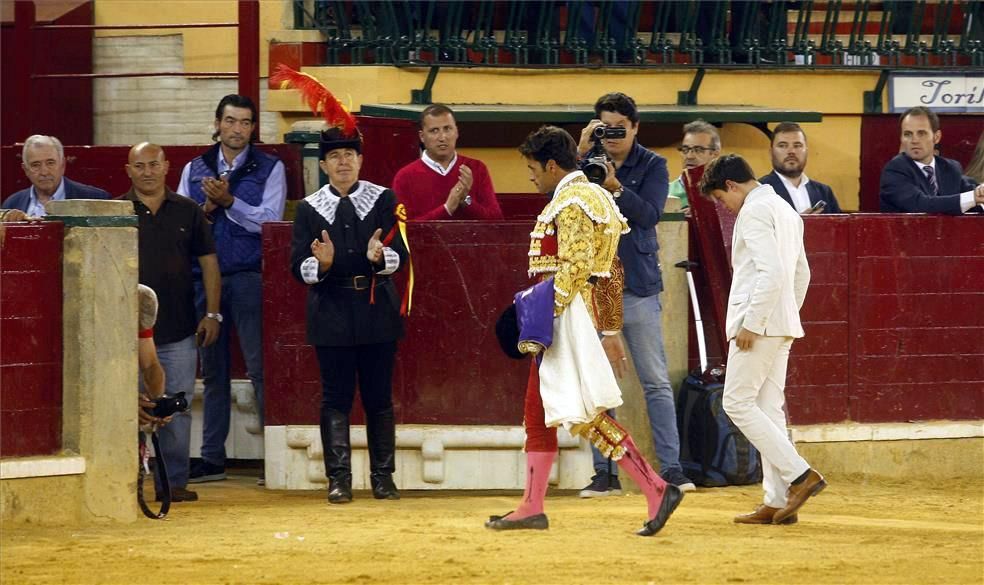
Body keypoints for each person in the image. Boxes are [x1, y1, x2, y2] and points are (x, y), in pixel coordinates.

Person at [485, 125, 683, 536]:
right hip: (574, 316)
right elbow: (611, 270)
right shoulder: (591, 195)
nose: (531, 176)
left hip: (565, 320)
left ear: (552, 165)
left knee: (587, 414)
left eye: (533, 168)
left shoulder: (573, 199)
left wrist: (540, 314)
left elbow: (574, 267)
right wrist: (608, 328)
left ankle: (655, 486)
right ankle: (532, 505)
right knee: (538, 411)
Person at [574, 92, 695, 497]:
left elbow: (650, 215)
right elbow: (565, 205)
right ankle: (604, 472)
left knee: (655, 381)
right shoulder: (583, 163)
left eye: (619, 130)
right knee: (598, 384)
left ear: (636, 128)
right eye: (604, 129)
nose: (611, 137)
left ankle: (673, 468)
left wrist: (615, 188)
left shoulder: (653, 165)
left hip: (636, 285)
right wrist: (578, 153)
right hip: (592, 286)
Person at [699, 153, 825, 525]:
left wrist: (754, 322)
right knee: (768, 408)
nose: (726, 206)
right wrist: (787, 313)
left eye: (722, 199)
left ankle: (800, 475)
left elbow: (770, 273)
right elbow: (802, 272)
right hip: (781, 322)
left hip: (760, 324)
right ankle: (775, 499)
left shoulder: (754, 212)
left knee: (736, 403)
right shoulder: (784, 208)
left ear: (732, 186)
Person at [289, 127, 409, 505]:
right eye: (335, 156)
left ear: (360, 160)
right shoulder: (309, 208)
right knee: (335, 398)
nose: (343, 162)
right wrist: (321, 265)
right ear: (323, 165)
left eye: (350, 155)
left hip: (376, 311)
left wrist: (380, 258)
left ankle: (383, 478)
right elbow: (296, 267)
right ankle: (338, 479)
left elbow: (401, 255)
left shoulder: (383, 199)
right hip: (331, 311)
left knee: (379, 398)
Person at [177, 94, 287, 485]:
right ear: (217, 123)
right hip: (203, 279)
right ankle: (212, 458)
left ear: (253, 128)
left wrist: (229, 201)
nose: (237, 129)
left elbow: (270, 223)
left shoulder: (271, 168)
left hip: (246, 276)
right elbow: (182, 224)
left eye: (244, 122)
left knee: (259, 368)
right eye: (230, 121)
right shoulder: (193, 168)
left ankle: (277, 457)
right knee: (213, 371)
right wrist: (208, 208)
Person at [124, 142, 222, 503]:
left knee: (175, 407)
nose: (147, 171)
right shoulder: (117, 212)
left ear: (166, 166)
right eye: (140, 165)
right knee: (130, 408)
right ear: (128, 170)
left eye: (153, 164)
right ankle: (127, 483)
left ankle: (173, 483)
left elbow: (209, 263)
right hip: (128, 333)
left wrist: (212, 313)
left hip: (180, 328)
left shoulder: (188, 211)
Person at [392, 104, 503, 220]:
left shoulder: (476, 168)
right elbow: (402, 230)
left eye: (447, 129)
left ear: (456, 132)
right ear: (422, 136)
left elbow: (496, 222)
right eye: (434, 131)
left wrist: (466, 199)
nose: (442, 137)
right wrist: (447, 209)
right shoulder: (405, 177)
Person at [879, 106, 984, 214]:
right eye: (908, 134)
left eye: (921, 133)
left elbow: (973, 198)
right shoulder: (894, 170)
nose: (914, 140)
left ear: (936, 137)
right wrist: (974, 197)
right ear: (901, 138)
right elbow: (920, 205)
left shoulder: (950, 168)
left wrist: (980, 194)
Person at [3, 135, 108, 215]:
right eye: (35, 165)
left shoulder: (96, 199)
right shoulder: (11, 204)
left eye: (50, 163)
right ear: (26, 170)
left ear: (62, 165)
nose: (44, 172)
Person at [760, 122, 842, 214]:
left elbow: (839, 227)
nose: (791, 151)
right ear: (771, 152)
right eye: (782, 146)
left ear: (806, 151)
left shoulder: (824, 192)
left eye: (797, 145)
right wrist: (799, 222)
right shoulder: (760, 190)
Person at [667, 120, 721, 209]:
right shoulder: (666, 193)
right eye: (685, 149)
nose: (689, 156)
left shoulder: (726, 193)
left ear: (715, 154)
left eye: (698, 150)